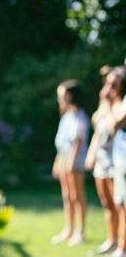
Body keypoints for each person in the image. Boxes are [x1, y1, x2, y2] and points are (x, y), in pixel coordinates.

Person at [85, 67, 119, 255]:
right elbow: (97, 127)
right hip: (101, 161)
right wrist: (91, 154)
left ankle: (121, 244)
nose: (107, 88)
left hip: (115, 162)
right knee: (106, 203)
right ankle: (111, 240)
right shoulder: (105, 106)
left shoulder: (119, 105)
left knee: (118, 205)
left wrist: (109, 103)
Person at [51, 80, 89, 246]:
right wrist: (58, 161)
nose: (60, 99)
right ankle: (69, 228)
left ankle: (80, 231)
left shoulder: (80, 117)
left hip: (75, 162)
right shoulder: (65, 116)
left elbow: (77, 142)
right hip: (64, 160)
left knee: (77, 196)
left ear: (72, 96)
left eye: (63, 95)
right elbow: (62, 143)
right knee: (67, 196)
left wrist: (71, 163)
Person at [104, 67, 126, 257]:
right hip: (120, 156)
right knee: (119, 204)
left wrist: (109, 103)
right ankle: (120, 247)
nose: (109, 87)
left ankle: (123, 250)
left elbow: (114, 124)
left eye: (114, 83)